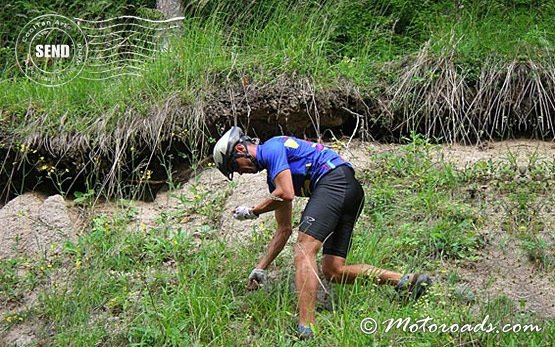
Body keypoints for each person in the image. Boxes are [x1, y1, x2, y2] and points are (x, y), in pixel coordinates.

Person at [212, 127, 431, 339]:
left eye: (235, 166)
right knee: (333, 270)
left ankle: (306, 329)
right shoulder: (275, 178)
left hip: (333, 181)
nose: (240, 172)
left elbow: (287, 194)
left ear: (240, 150)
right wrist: (260, 268)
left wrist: (253, 211)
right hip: (350, 189)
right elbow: (283, 229)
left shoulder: (272, 147)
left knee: (304, 250)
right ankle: (406, 281)